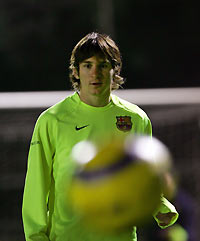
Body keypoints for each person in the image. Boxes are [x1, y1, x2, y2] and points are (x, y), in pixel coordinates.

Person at [22, 32, 178, 241]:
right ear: (76, 71)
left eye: (103, 65)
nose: (95, 73)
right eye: (87, 65)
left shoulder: (136, 118)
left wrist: (160, 206)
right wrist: (35, 237)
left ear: (115, 70)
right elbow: (36, 187)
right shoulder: (52, 120)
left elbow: (143, 174)